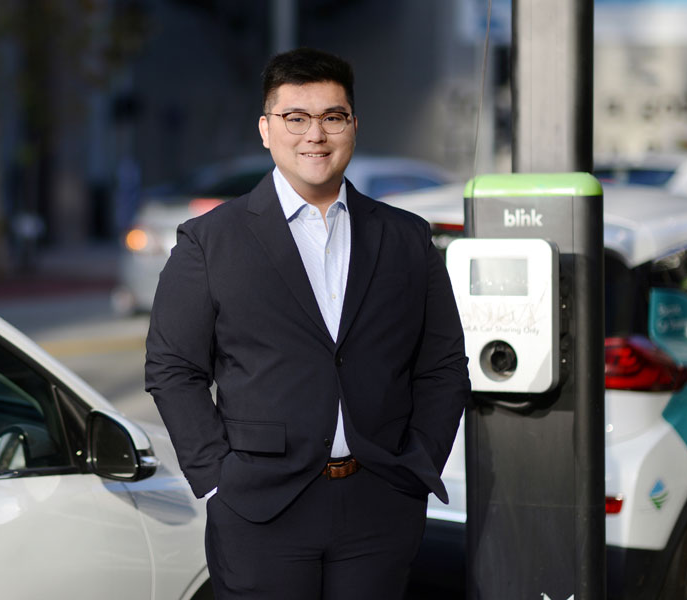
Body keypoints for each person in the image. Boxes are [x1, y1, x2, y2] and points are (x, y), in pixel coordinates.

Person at [145, 47, 469, 599]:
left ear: (353, 126)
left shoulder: (406, 237)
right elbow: (173, 368)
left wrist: (417, 465)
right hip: (259, 506)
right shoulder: (209, 240)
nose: (314, 134)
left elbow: (442, 365)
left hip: (380, 503)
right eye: (295, 118)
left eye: (331, 117)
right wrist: (215, 479)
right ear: (266, 130)